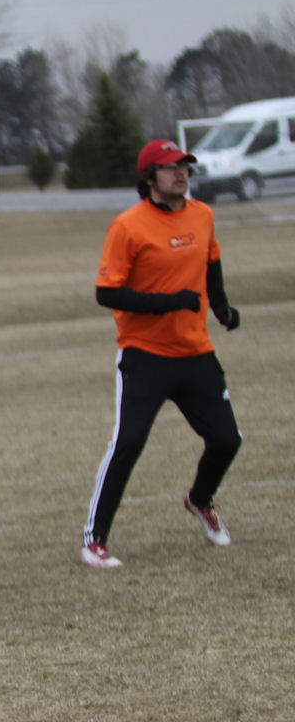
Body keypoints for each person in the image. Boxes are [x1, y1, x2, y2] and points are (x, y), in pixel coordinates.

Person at [80, 139, 243, 569]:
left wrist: (222, 307)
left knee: (227, 440)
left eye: (185, 166)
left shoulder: (202, 215)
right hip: (145, 355)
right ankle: (94, 542)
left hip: (196, 352)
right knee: (129, 442)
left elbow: (211, 263)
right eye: (171, 167)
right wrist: (169, 303)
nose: (181, 173)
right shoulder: (128, 226)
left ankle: (200, 500)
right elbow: (107, 292)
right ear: (150, 177)